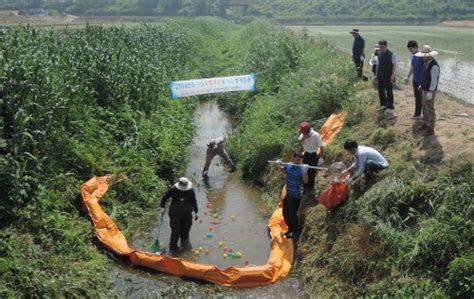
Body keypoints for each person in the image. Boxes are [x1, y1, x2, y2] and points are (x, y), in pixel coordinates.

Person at [160, 177, 198, 254]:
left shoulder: (191, 191)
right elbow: (165, 197)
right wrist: (162, 207)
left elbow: (194, 202)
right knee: (175, 231)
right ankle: (173, 248)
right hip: (175, 214)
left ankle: (184, 245)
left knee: (186, 230)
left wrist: (196, 212)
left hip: (187, 214)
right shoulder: (173, 189)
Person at [276, 152, 309, 239]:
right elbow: (280, 170)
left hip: (295, 196)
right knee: (285, 213)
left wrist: (305, 172)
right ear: (293, 158)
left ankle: (295, 231)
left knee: (292, 214)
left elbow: (305, 181)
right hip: (288, 194)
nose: (298, 161)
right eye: (297, 159)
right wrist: (278, 164)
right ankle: (290, 229)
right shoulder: (289, 166)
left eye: (300, 160)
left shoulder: (301, 169)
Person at [416, 45, 440, 136]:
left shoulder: (434, 66)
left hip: (430, 91)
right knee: (425, 107)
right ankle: (425, 123)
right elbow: (426, 77)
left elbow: (434, 80)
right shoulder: (427, 63)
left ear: (429, 55)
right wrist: (422, 85)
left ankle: (431, 128)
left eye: (424, 56)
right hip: (425, 89)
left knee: (430, 109)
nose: (423, 58)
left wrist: (430, 91)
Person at [298, 122, 324, 193]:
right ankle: (304, 187)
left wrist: (321, 157)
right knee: (304, 171)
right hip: (306, 154)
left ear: (307, 131)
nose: (302, 133)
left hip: (313, 155)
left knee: (312, 172)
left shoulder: (315, 135)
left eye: (303, 132)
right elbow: (300, 142)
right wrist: (304, 137)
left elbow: (321, 147)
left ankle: (310, 188)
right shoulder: (303, 135)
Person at [376, 40, 397, 114]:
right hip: (380, 75)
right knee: (380, 90)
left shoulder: (392, 54)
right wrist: (376, 75)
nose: (381, 48)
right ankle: (383, 104)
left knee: (389, 91)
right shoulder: (379, 54)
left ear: (386, 46)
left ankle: (390, 107)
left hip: (388, 75)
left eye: (382, 47)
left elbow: (394, 65)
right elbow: (378, 65)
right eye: (380, 47)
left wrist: (392, 75)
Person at [404, 40, 424, 119]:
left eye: (411, 49)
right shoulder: (413, 56)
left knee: (422, 98)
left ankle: (424, 116)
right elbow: (412, 68)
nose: (410, 51)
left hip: (421, 81)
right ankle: (417, 114)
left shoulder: (422, 56)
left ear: (416, 47)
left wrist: (424, 82)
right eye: (409, 50)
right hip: (415, 80)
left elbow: (426, 70)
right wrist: (408, 77)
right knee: (417, 97)